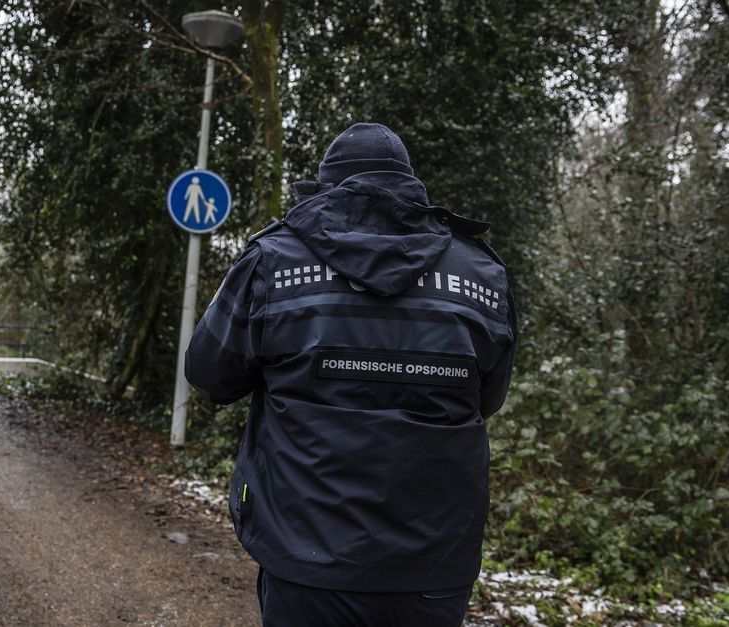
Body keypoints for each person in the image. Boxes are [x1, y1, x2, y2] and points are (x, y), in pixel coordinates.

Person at [185, 123, 517, 626]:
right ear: (409, 183)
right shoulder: (481, 275)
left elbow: (209, 373)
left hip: (307, 554)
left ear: (326, 185)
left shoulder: (274, 262)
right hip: (433, 564)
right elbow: (486, 398)